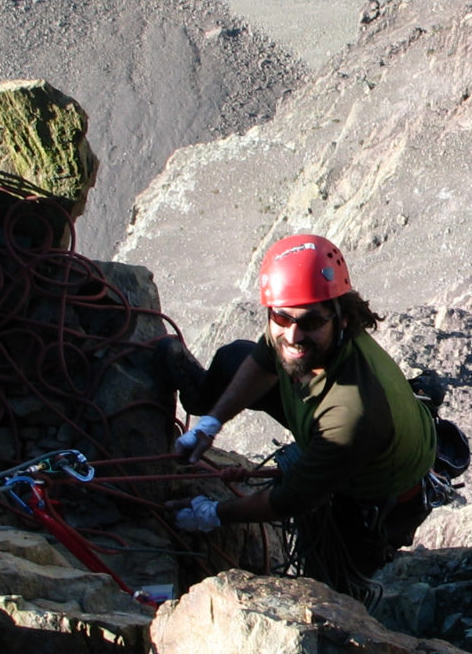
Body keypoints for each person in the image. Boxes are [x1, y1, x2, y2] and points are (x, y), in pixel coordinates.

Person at [156, 233, 438, 601]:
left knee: (333, 583)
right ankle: (201, 400)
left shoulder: (352, 413)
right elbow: (264, 355)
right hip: (322, 420)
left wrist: (212, 514)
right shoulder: (300, 335)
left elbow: (291, 499)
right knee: (234, 357)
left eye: (309, 321)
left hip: (368, 487)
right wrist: (211, 423)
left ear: (340, 318)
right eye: (281, 316)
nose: (292, 334)